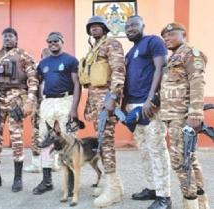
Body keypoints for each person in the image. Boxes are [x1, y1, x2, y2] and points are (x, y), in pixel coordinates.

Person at [0, 27, 38, 193]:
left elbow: (33, 79)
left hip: (15, 99)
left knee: (16, 137)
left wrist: (30, 101)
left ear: (16, 39)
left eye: (11, 36)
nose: (7, 39)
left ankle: (17, 178)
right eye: (5, 36)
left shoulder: (23, 55)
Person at [123, 15, 171, 209]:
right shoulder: (130, 53)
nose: (130, 29)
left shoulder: (153, 41)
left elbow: (161, 67)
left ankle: (164, 197)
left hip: (149, 105)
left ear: (143, 25)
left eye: (134, 25)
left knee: (157, 150)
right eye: (126, 27)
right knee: (144, 151)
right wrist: (123, 107)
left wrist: (152, 97)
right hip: (133, 107)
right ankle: (152, 188)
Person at [160, 23, 209, 209]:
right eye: (164, 36)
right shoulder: (174, 58)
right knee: (190, 159)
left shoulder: (190, 54)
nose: (167, 38)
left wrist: (195, 113)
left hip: (183, 116)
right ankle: (201, 201)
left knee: (180, 161)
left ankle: (190, 202)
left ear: (184, 34)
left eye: (171, 34)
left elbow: (197, 82)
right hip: (173, 115)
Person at [80, 16, 125, 208]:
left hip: (107, 101)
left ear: (105, 29)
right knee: (102, 142)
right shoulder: (94, 49)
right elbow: (91, 81)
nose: (94, 29)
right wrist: (89, 105)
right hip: (97, 102)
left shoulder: (112, 45)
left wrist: (113, 98)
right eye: (91, 26)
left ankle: (113, 188)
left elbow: (118, 71)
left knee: (106, 143)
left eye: (98, 26)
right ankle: (113, 184)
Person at [32, 32, 80, 196]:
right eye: (50, 41)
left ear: (62, 41)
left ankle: (71, 182)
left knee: (69, 138)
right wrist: (38, 102)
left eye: (56, 41)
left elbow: (77, 84)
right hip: (48, 103)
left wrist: (74, 108)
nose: (53, 43)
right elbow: (36, 82)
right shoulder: (43, 64)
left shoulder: (71, 60)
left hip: (66, 101)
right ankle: (47, 181)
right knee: (45, 139)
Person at [24, 48, 61, 173]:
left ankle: (46, 163)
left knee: (47, 133)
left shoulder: (40, 67)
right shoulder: (39, 68)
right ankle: (46, 163)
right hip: (43, 104)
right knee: (45, 133)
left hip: (47, 104)